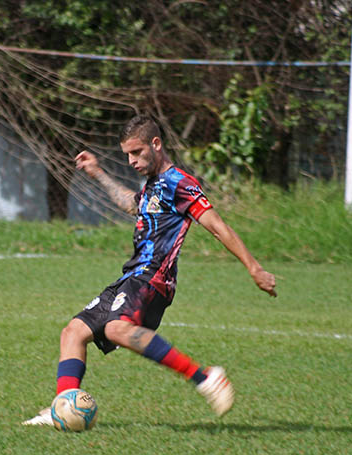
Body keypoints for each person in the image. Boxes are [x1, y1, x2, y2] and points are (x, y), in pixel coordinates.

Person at [23, 115, 276, 425]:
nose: (131, 161)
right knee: (73, 332)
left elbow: (217, 227)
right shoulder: (153, 185)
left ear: (156, 144)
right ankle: (62, 407)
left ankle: (206, 377)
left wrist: (254, 268)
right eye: (127, 154)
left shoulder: (180, 183)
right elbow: (133, 205)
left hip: (154, 278)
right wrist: (98, 172)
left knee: (116, 328)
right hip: (131, 276)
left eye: (137, 152)